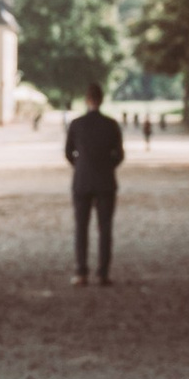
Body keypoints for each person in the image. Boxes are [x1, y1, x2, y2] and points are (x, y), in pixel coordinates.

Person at [66, 77, 126, 281]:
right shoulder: (111, 125)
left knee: (81, 228)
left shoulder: (76, 124)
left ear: (86, 99)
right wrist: (107, 167)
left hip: (82, 181)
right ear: (101, 99)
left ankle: (81, 271)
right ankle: (103, 272)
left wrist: (81, 166)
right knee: (105, 228)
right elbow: (119, 154)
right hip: (105, 182)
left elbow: (68, 153)